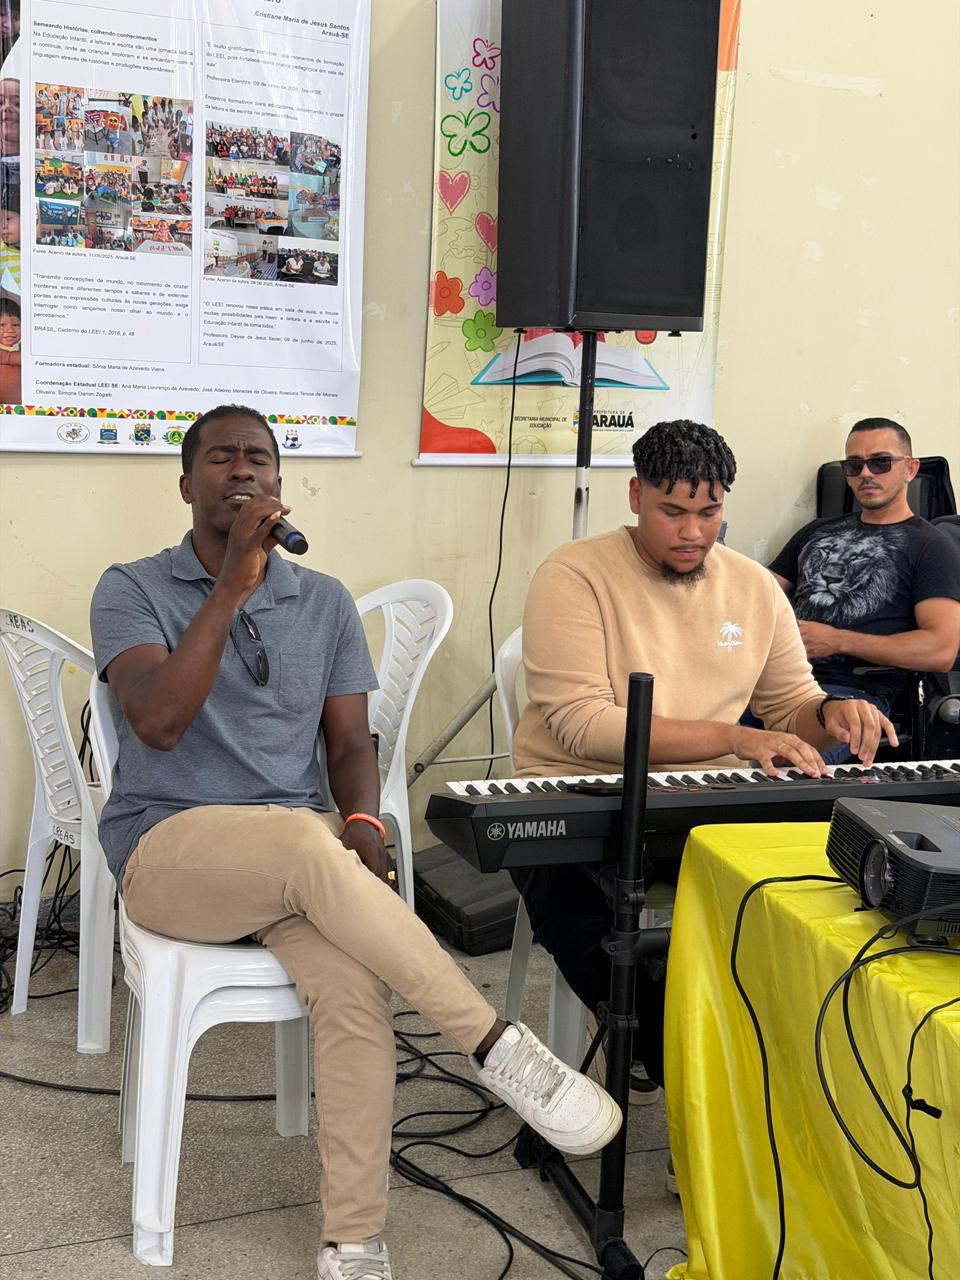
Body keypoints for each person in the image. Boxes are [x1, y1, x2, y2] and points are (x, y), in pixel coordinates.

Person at [90, 404, 621, 1280]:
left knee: (351, 988)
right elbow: (157, 721)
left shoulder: (325, 601)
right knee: (306, 841)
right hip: (171, 849)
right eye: (220, 459)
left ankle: (352, 1239)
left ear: (281, 486)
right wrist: (230, 587)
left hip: (299, 861)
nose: (242, 473)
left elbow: (348, 745)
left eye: (258, 459)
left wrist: (367, 824)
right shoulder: (132, 587)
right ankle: (496, 1047)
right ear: (186, 485)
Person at [510, 420, 895, 1171]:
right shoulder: (573, 574)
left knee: (810, 913)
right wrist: (733, 739)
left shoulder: (750, 586)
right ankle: (725, 1130)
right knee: (608, 940)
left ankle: (786, 1086)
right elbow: (584, 725)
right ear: (635, 496)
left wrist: (833, 715)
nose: (693, 532)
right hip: (573, 801)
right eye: (672, 511)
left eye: (710, 512)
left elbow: (791, 709)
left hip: (696, 803)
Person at [768, 417, 960, 762]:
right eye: (854, 465)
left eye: (881, 462)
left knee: (779, 764)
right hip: (775, 678)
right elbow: (759, 594)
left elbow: (941, 649)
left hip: (850, 693)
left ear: (910, 469)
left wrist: (838, 640)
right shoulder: (816, 531)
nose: (866, 473)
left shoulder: (932, 546)